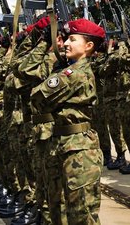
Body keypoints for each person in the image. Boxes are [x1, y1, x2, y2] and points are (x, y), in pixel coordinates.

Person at [30, 19, 104, 225]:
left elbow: (38, 96)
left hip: (79, 150)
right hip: (63, 143)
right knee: (58, 211)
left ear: (88, 46)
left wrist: (57, 72)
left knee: (81, 214)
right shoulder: (68, 71)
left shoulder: (75, 74)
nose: (67, 44)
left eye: (73, 39)